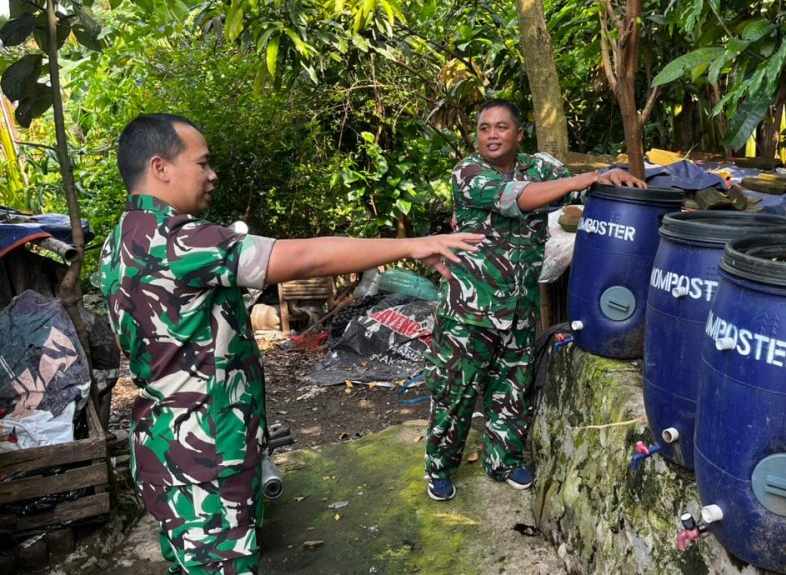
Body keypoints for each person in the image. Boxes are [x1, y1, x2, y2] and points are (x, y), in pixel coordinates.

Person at [99, 113, 483, 575]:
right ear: (160, 167)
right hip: (204, 454)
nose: (212, 174)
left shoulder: (122, 237)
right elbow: (303, 257)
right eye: (202, 163)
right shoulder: (176, 240)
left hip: (173, 445)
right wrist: (414, 244)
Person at [423, 99, 645, 501]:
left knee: (511, 388)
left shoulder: (539, 168)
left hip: (519, 307)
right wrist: (582, 180)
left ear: (518, 133)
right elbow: (518, 198)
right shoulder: (469, 173)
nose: (492, 134)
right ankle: (439, 466)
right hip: (469, 311)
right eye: (485, 127)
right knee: (455, 393)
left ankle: (503, 460)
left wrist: (605, 176)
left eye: (501, 127)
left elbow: (575, 184)